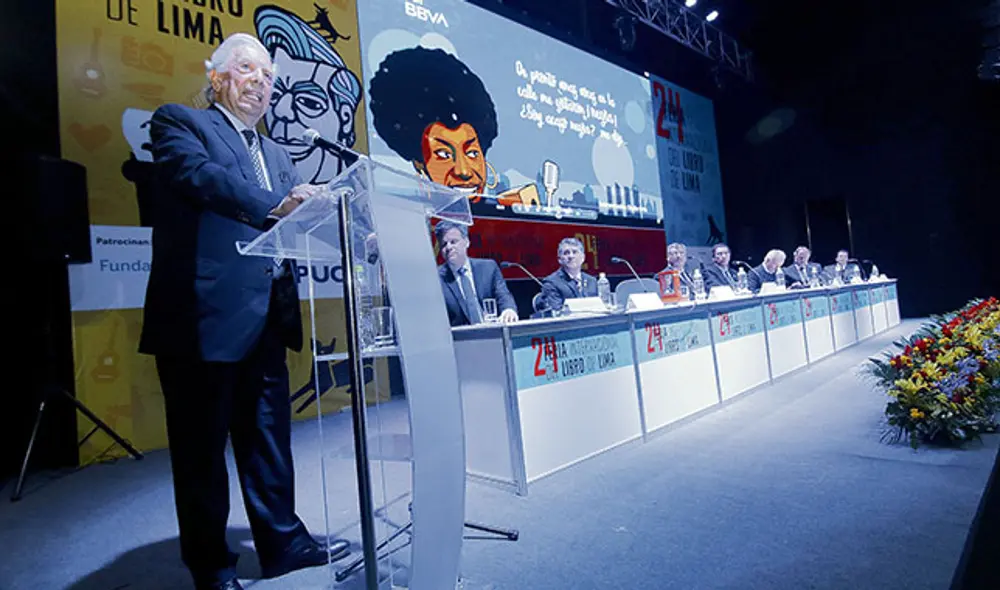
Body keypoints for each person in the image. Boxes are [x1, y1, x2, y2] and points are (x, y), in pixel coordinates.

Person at [139, 33, 348, 590]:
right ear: (219, 78)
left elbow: (293, 222)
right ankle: (210, 564)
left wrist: (318, 208)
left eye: (269, 76)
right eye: (249, 69)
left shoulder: (279, 153)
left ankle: (283, 541)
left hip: (267, 316)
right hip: (201, 316)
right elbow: (203, 179)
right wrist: (276, 205)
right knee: (201, 449)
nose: (262, 82)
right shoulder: (180, 123)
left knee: (268, 440)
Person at [368, 46, 530, 206]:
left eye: (472, 153)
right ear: (419, 164)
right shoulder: (399, 206)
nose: (464, 171)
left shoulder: (506, 203)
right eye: (444, 154)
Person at [435, 220, 518, 326]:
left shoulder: (488, 268)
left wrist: (508, 310)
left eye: (453, 242)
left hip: (492, 333)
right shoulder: (437, 278)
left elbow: (503, 295)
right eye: (444, 244)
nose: (448, 247)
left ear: (467, 242)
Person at [540, 237, 599, 312]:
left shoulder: (592, 281)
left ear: (583, 257)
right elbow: (556, 313)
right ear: (560, 259)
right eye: (566, 253)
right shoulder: (551, 283)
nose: (571, 256)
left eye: (575, 252)